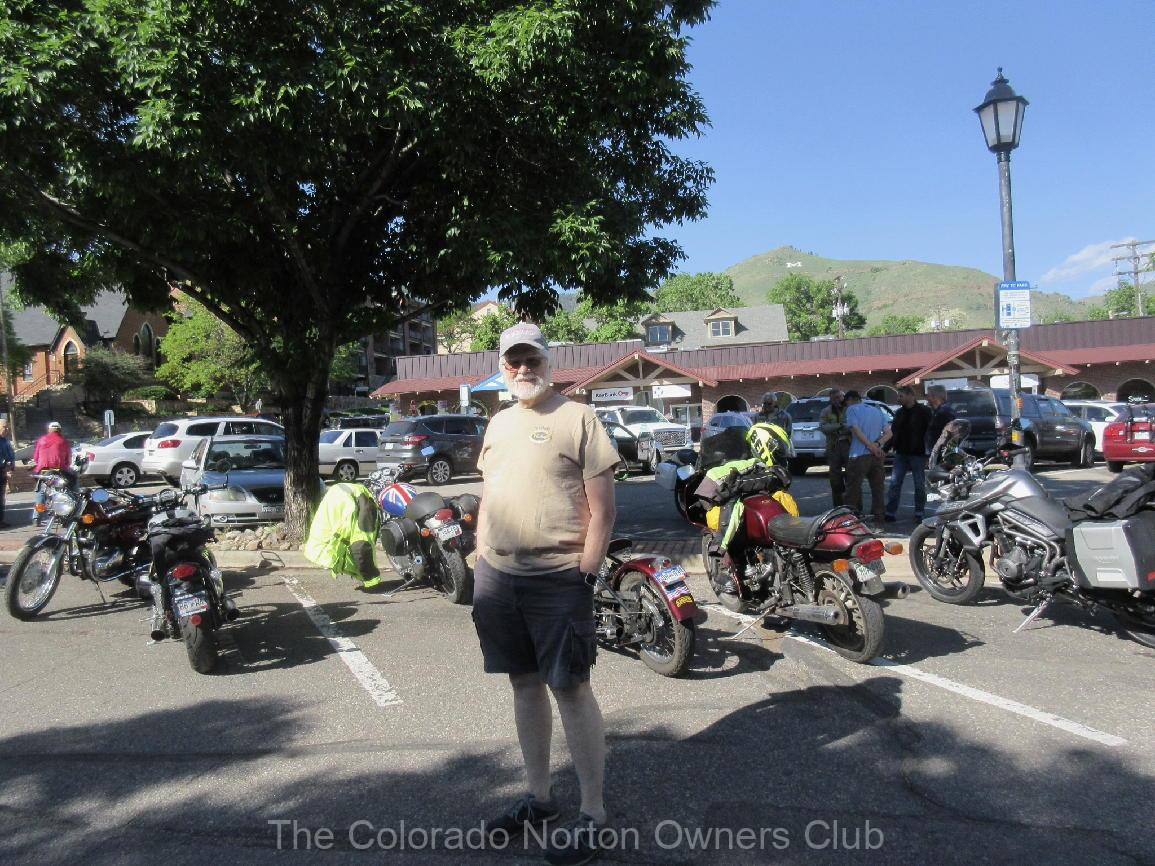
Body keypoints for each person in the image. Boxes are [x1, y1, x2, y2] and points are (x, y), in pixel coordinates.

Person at [472, 322, 619, 866]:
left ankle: (593, 813)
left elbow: (604, 512)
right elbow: (490, 495)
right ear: (502, 367)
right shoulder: (498, 423)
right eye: (513, 362)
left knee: (571, 689)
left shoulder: (579, 418)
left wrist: (586, 573)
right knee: (523, 683)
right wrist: (479, 558)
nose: (522, 369)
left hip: (559, 578)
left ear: (548, 363)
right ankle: (539, 799)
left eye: (531, 359)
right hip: (498, 577)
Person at [884, 386, 933, 522]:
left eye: (901, 396)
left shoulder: (924, 411)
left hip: (918, 453)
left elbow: (930, 432)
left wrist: (930, 452)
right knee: (895, 483)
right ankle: (890, 512)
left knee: (919, 484)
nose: (898, 399)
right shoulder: (899, 413)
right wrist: (885, 449)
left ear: (910, 395)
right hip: (901, 453)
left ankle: (919, 512)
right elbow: (894, 432)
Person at [843, 391, 889, 523]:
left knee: (853, 488)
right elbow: (889, 432)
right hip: (876, 456)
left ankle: (851, 518)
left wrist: (870, 445)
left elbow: (856, 430)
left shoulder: (852, 409)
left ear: (850, 400)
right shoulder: (876, 410)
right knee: (878, 488)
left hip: (858, 455)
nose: (846, 405)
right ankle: (879, 516)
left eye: (846, 402)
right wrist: (877, 444)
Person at [32, 421, 71, 527]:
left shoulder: (41, 440)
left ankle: (36, 517)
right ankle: (64, 514)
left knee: (41, 493)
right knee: (63, 491)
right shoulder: (63, 441)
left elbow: (36, 457)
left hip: (43, 470)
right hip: (58, 470)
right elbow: (67, 460)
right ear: (59, 430)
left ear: (49, 430)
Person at [818, 389, 850, 507]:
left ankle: (853, 506)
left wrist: (836, 427)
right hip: (833, 446)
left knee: (852, 476)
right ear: (831, 400)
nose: (838, 400)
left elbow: (853, 426)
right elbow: (823, 427)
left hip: (849, 444)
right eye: (835, 398)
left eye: (840, 397)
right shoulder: (826, 411)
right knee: (835, 479)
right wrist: (840, 426)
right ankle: (838, 507)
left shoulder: (849, 409)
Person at [924, 385, 956, 455]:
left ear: (935, 397)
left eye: (928, 396)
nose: (927, 398)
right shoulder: (936, 412)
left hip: (942, 455)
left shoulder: (945, 412)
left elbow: (951, 435)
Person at [0, 419, 14, 528]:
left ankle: (1, 520)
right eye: (5, 427)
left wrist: (11, 465)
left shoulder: (5, 441)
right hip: (1, 469)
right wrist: (5, 464)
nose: (7, 429)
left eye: (8, 427)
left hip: (3, 472)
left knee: (1, 497)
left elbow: (10, 454)